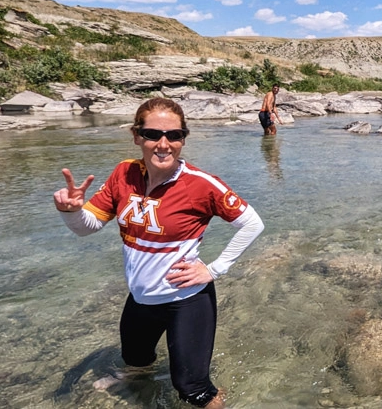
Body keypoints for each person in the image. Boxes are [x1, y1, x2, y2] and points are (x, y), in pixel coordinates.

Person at [53, 97, 265, 409]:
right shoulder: (124, 174)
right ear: (136, 136)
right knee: (135, 359)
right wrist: (69, 211)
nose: (163, 144)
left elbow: (252, 223)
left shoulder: (200, 184)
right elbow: (88, 226)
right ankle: (136, 379)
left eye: (174, 135)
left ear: (183, 138)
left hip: (186, 300)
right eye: (153, 134)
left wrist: (214, 269)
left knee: (193, 389)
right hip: (140, 297)